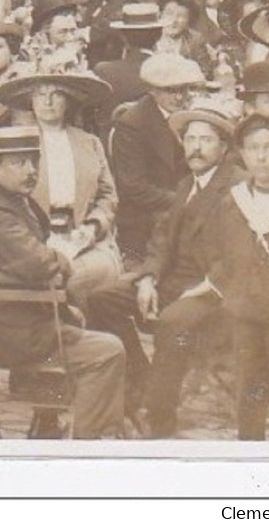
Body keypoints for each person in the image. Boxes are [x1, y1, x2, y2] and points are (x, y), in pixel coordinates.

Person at [0, 125, 128, 439]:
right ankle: (86, 444)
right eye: (19, 163)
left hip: (8, 321)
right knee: (108, 350)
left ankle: (48, 424)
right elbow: (39, 264)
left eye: (34, 161)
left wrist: (51, 262)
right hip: (9, 333)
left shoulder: (6, 198)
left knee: (74, 316)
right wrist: (61, 260)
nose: (31, 170)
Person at [90, 102, 243, 438]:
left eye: (205, 140)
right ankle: (142, 379)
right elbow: (161, 239)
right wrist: (147, 279)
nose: (196, 149)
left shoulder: (237, 186)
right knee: (100, 299)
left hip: (212, 290)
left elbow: (239, 255)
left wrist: (204, 287)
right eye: (190, 140)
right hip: (171, 281)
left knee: (174, 321)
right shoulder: (188, 183)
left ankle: (158, 418)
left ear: (224, 146)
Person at [210, 112, 269, 440]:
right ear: (242, 154)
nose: (261, 156)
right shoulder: (232, 203)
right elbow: (220, 254)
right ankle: (251, 457)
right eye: (252, 148)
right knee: (250, 391)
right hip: (245, 315)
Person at [0, 69, 121, 299]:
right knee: (44, 276)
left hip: (84, 237)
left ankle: (79, 330)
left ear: (69, 101)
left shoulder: (89, 142)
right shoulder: (18, 144)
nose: (48, 101)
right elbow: (0, 197)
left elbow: (108, 196)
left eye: (56, 94)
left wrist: (93, 227)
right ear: (31, 102)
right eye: (40, 94)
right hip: (32, 239)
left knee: (90, 275)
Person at [108, 53, 207, 261]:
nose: (180, 97)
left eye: (184, 89)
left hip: (182, 205)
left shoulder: (188, 115)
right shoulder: (133, 124)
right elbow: (135, 189)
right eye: (171, 91)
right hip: (146, 219)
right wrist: (186, 201)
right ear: (152, 90)